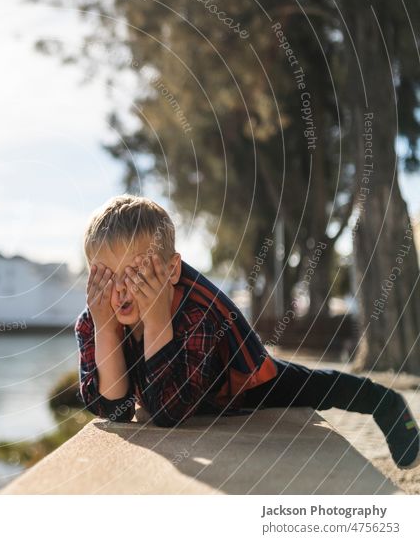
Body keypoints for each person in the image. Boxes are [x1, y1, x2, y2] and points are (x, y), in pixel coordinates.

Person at [76, 194, 420, 469]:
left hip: (240, 381)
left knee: (318, 387)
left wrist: (155, 321)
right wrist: (105, 329)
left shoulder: (198, 315)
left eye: (136, 274)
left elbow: (169, 413)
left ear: (171, 270)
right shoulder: (96, 319)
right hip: (190, 396)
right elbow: (115, 410)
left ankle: (386, 402)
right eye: (106, 275)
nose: (120, 290)